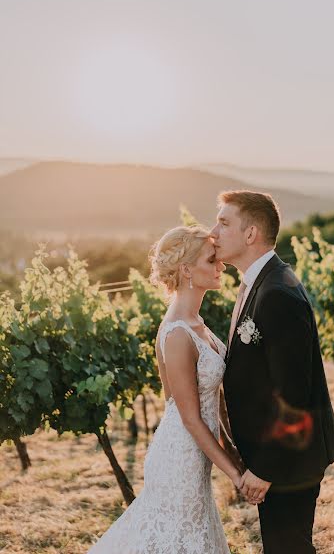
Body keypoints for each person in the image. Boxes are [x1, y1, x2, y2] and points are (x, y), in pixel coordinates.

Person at [88, 225, 246, 554]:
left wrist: (234, 451)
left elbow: (208, 401)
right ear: (186, 269)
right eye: (211, 260)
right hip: (180, 456)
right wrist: (234, 473)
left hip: (194, 452)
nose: (221, 266)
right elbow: (188, 417)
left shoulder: (195, 322)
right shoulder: (177, 333)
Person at [211, 190, 334, 554]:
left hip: (289, 461)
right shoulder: (258, 283)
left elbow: (294, 393)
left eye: (223, 223)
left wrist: (265, 468)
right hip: (278, 457)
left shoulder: (277, 293)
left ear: (251, 234)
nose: (213, 232)